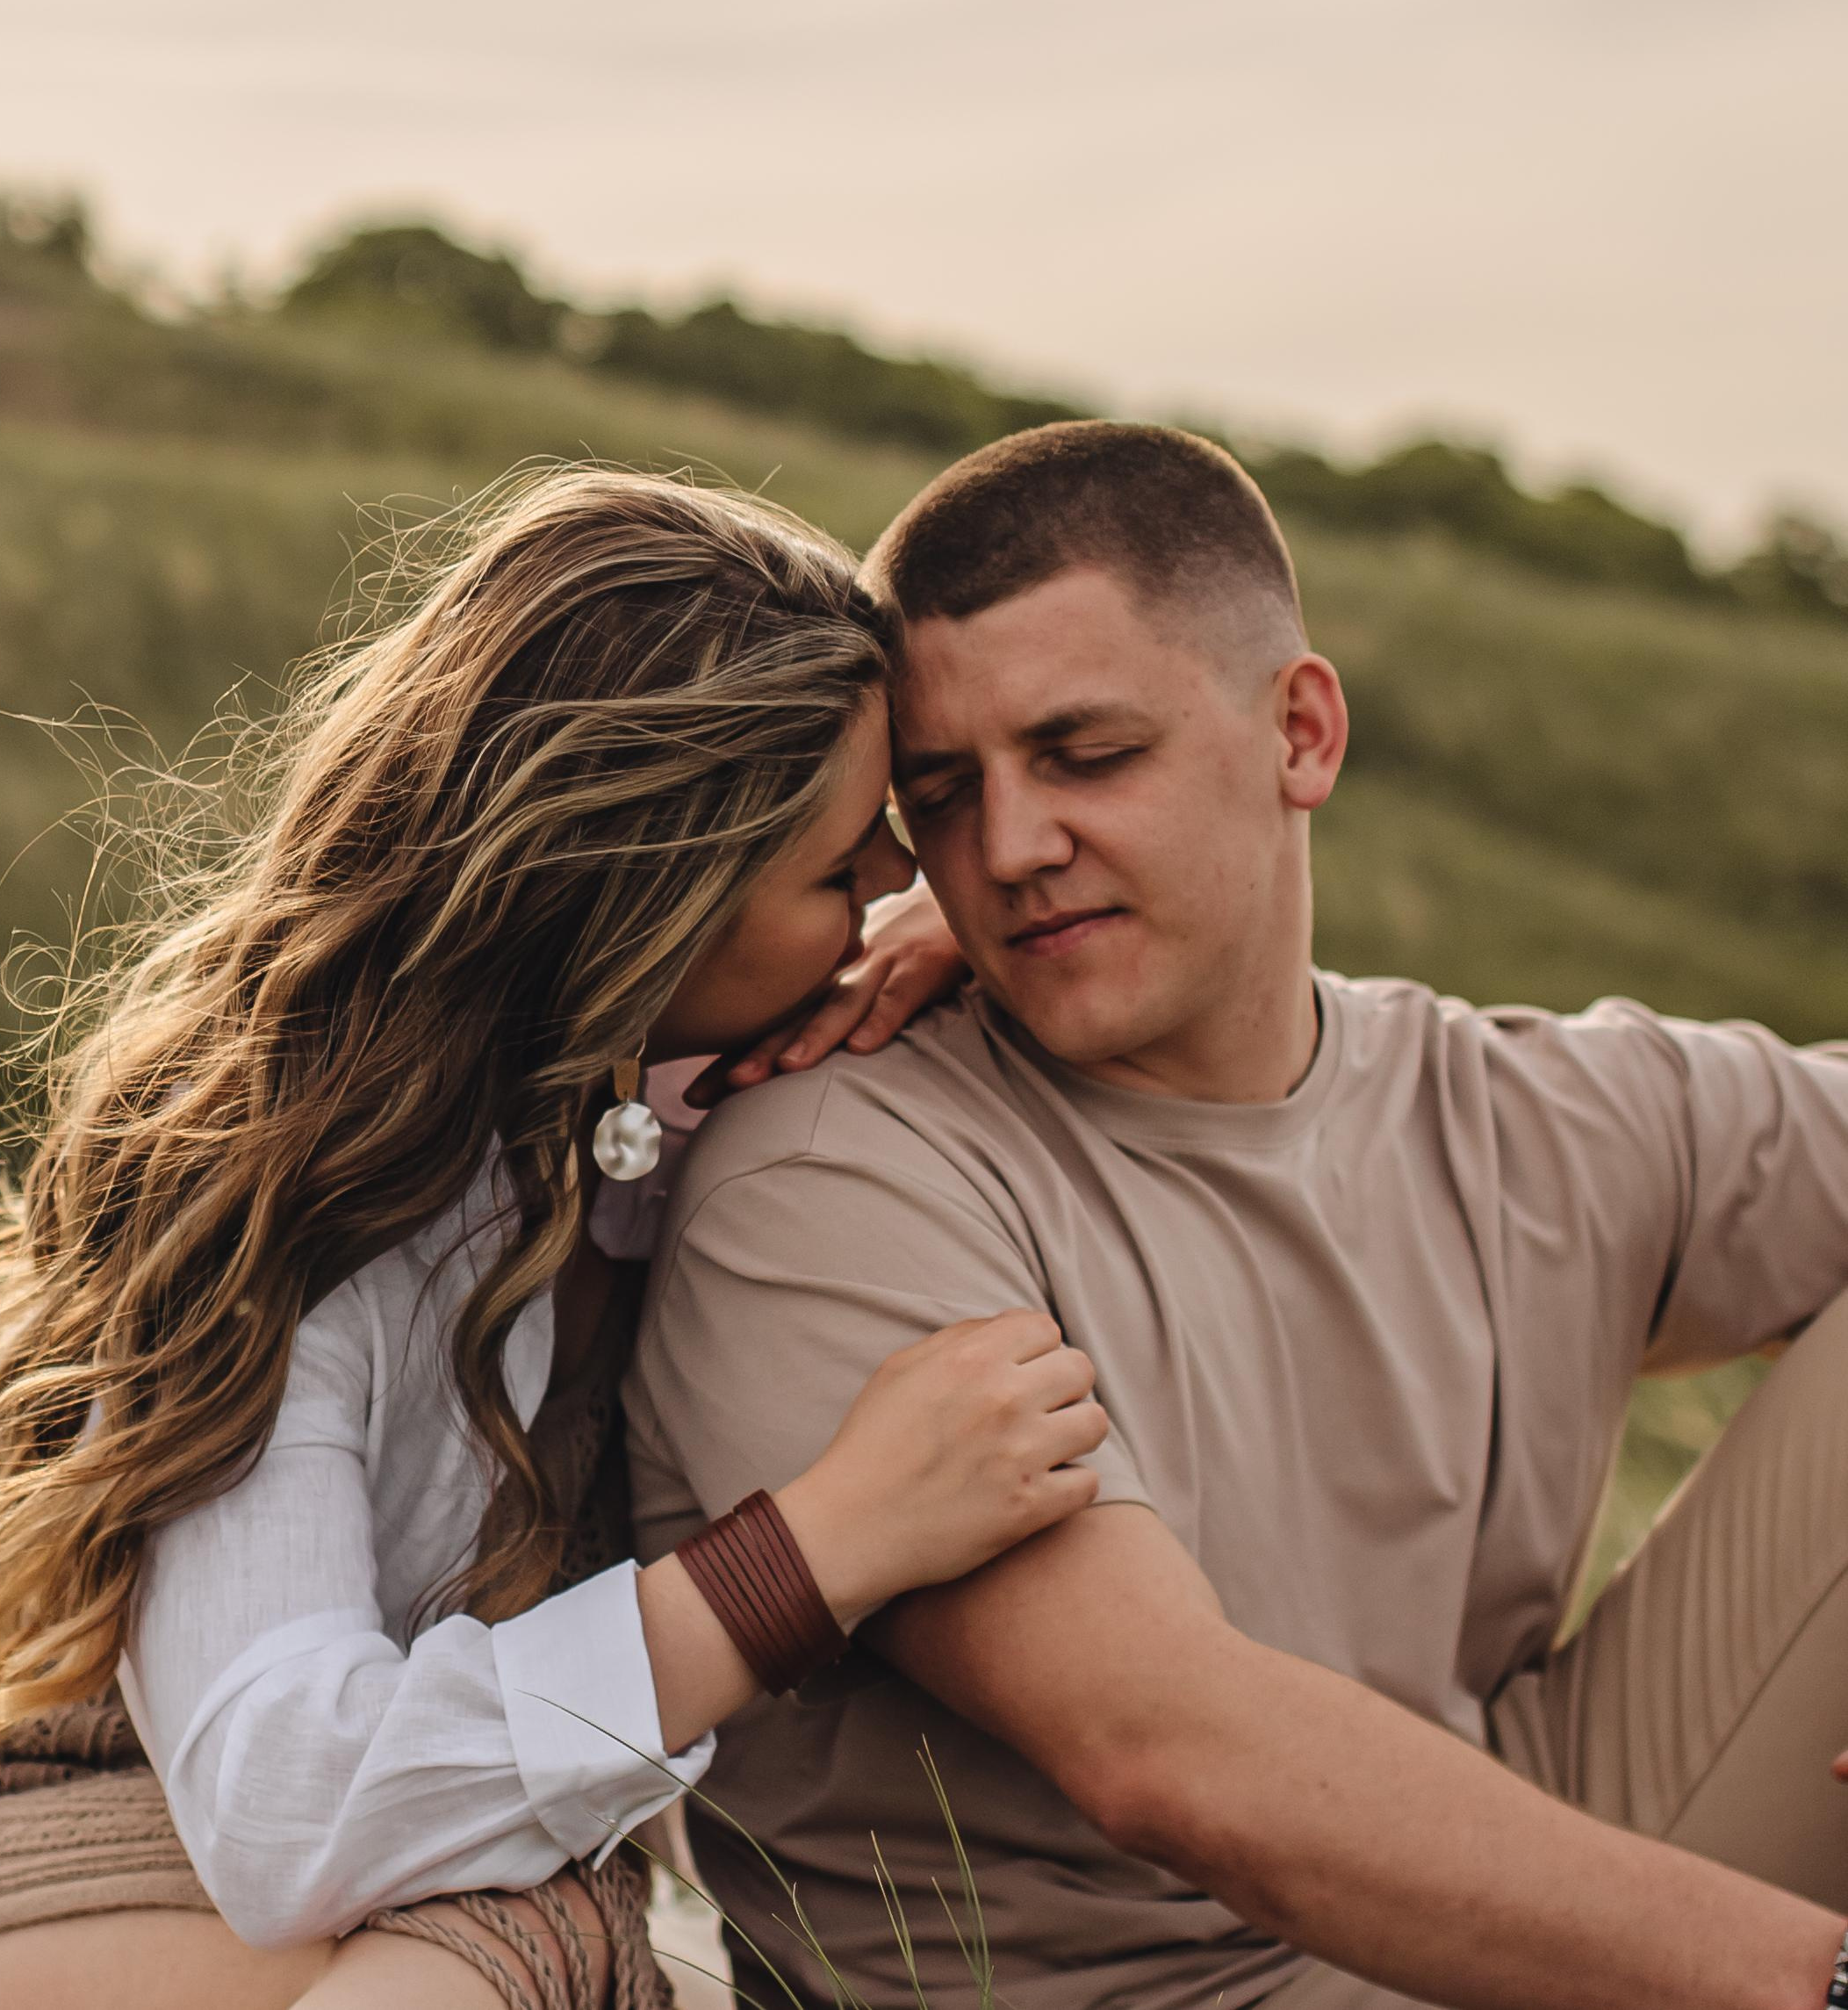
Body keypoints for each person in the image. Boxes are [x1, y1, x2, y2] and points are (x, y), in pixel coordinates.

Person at [626, 420, 1848, 2010]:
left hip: (1530, 1867)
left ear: (1302, 733)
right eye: (945, 794)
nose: (1009, 850)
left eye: (1084, 755)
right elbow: (1175, 1758)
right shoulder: (828, 1180)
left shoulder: (1524, 1110)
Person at [0, 469, 1107, 2010]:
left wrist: (983, 938)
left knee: (563, 1930)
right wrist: (812, 1557)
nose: (897, 886)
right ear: (643, 910)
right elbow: (283, 1807)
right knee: (545, 1944)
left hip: (322, 1889)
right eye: (841, 867)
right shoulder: (281, 1187)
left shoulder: (637, 1105)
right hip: (45, 1830)